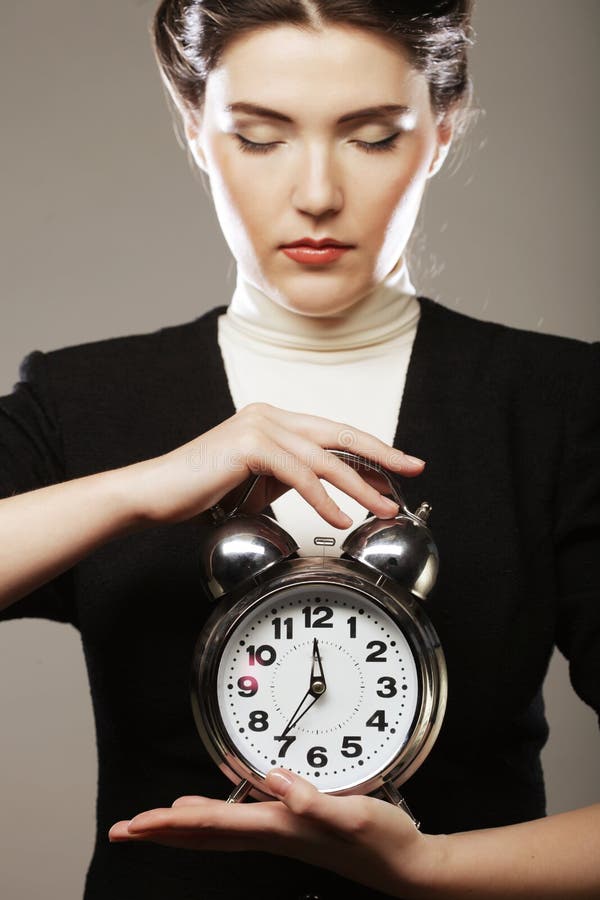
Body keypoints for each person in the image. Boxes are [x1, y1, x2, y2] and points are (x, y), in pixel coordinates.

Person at [1, 1, 598, 898]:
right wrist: (146, 487)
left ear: (442, 130)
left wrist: (432, 870)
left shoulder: (558, 403)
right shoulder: (83, 400)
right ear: (196, 130)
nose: (316, 192)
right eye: (260, 137)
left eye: (370, 137)